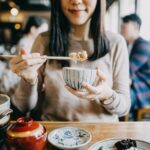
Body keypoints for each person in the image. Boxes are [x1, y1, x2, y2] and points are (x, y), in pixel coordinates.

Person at [10, 0, 130, 122]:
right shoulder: (43, 41)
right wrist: (29, 79)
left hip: (102, 133)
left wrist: (106, 94)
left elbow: (124, 108)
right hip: (54, 132)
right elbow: (23, 106)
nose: (76, 1)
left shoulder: (116, 43)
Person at [121, 14, 150, 120]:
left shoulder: (144, 45)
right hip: (134, 86)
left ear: (135, 27)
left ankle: (125, 124)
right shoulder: (129, 45)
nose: (121, 30)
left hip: (144, 89)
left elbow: (127, 70)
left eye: (124, 27)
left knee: (123, 99)